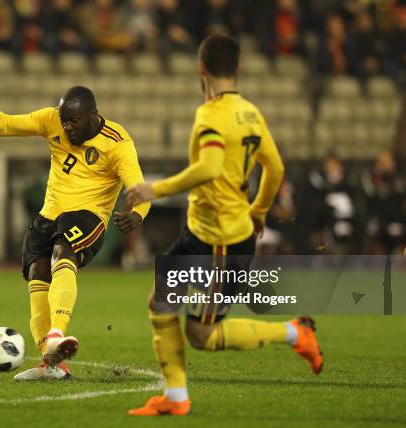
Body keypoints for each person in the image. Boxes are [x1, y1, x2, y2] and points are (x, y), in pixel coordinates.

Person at [125, 34, 323, 417]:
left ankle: (295, 333)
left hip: (221, 243)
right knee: (159, 302)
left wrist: (156, 189)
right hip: (200, 231)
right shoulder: (250, 112)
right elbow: (275, 167)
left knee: (202, 335)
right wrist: (260, 209)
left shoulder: (211, 114)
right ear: (239, 69)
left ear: (200, 68)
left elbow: (211, 167)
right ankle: (176, 398)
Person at [0, 72, 150, 380]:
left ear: (93, 115)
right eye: (64, 121)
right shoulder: (51, 120)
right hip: (49, 215)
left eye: (74, 121)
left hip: (88, 217)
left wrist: (138, 213)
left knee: (63, 250)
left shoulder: (118, 143)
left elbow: (139, 189)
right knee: (37, 274)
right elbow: (3, 124)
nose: (67, 127)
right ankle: (51, 363)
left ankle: (56, 335)